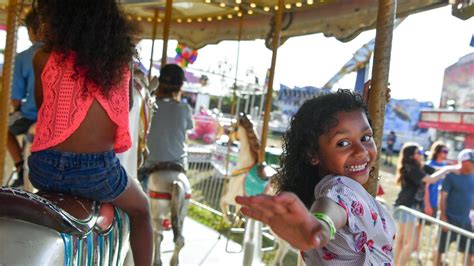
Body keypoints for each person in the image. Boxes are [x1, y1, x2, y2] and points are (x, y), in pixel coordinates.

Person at [27, 0, 152, 265]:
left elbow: (44, 111)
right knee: (142, 209)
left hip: (44, 168)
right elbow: (127, 107)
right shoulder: (119, 62)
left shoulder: (42, 58)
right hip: (96, 174)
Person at [236, 89, 397, 264]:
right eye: (343, 143)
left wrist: (366, 103)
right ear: (313, 154)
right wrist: (320, 226)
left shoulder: (330, 187)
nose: (361, 151)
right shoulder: (339, 187)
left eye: (366, 137)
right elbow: (333, 207)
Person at [392, 143, 458, 266]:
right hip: (405, 208)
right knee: (410, 243)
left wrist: (452, 168)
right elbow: (431, 179)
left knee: (401, 242)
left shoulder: (420, 167)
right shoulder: (410, 168)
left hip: (405, 208)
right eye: (419, 152)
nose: (422, 154)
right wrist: (448, 169)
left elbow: (436, 170)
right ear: (411, 156)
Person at [7, 10, 42, 187]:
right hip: (52, 116)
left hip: (30, 115)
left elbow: (16, 99)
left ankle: (20, 167)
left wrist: (15, 109)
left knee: (3, 128)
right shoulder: (60, 54)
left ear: (31, 30)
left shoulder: (23, 57)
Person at [143, 63, 194, 174]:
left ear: (158, 83)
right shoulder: (185, 108)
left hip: (150, 165)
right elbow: (187, 131)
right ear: (180, 86)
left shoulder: (148, 105)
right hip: (177, 164)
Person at [433, 149, 474, 266]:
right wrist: (443, 218)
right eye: (472, 162)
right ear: (464, 162)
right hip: (449, 219)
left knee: (469, 251)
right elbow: (442, 197)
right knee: (440, 250)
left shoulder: (473, 176)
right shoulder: (451, 176)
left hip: (465, 221)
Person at [424, 141, 449, 218]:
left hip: (438, 202)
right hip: (429, 201)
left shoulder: (445, 165)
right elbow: (425, 187)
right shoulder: (429, 165)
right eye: (445, 151)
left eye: (447, 151)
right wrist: (427, 204)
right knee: (421, 224)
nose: (446, 153)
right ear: (437, 152)